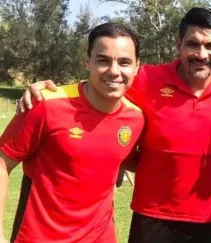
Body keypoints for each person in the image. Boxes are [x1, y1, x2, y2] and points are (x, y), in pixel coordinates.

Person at [20, 7, 211, 243]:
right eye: (192, 44)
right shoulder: (146, 79)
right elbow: (102, 82)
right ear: (179, 45)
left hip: (210, 220)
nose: (201, 54)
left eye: (210, 46)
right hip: (152, 218)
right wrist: (49, 91)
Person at [0, 22, 144, 243]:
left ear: (136, 67)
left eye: (124, 62)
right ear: (87, 62)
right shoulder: (46, 104)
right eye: (103, 60)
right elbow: (2, 162)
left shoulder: (136, 118)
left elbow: (133, 161)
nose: (114, 71)